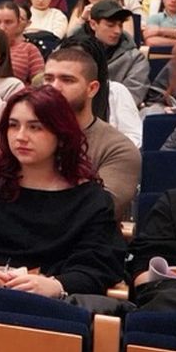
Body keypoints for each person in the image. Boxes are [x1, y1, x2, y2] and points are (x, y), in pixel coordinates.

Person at [0, 87, 127, 297]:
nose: (21, 137)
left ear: (61, 134)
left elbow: (98, 267)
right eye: (13, 126)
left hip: (54, 308)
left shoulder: (91, 200)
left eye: (35, 127)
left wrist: (55, 286)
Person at [42, 46, 141, 222]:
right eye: (48, 79)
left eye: (67, 80)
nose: (54, 87)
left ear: (92, 89)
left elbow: (98, 212)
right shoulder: (24, 134)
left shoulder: (117, 148)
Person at [71, 0, 150, 105]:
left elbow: (131, 99)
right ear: (93, 25)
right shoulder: (70, 52)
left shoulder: (135, 59)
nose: (117, 31)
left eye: (120, 25)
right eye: (110, 25)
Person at [0, 1, 45, 85]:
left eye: (8, 22)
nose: (2, 27)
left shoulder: (29, 50)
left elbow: (40, 84)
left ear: (18, 23)